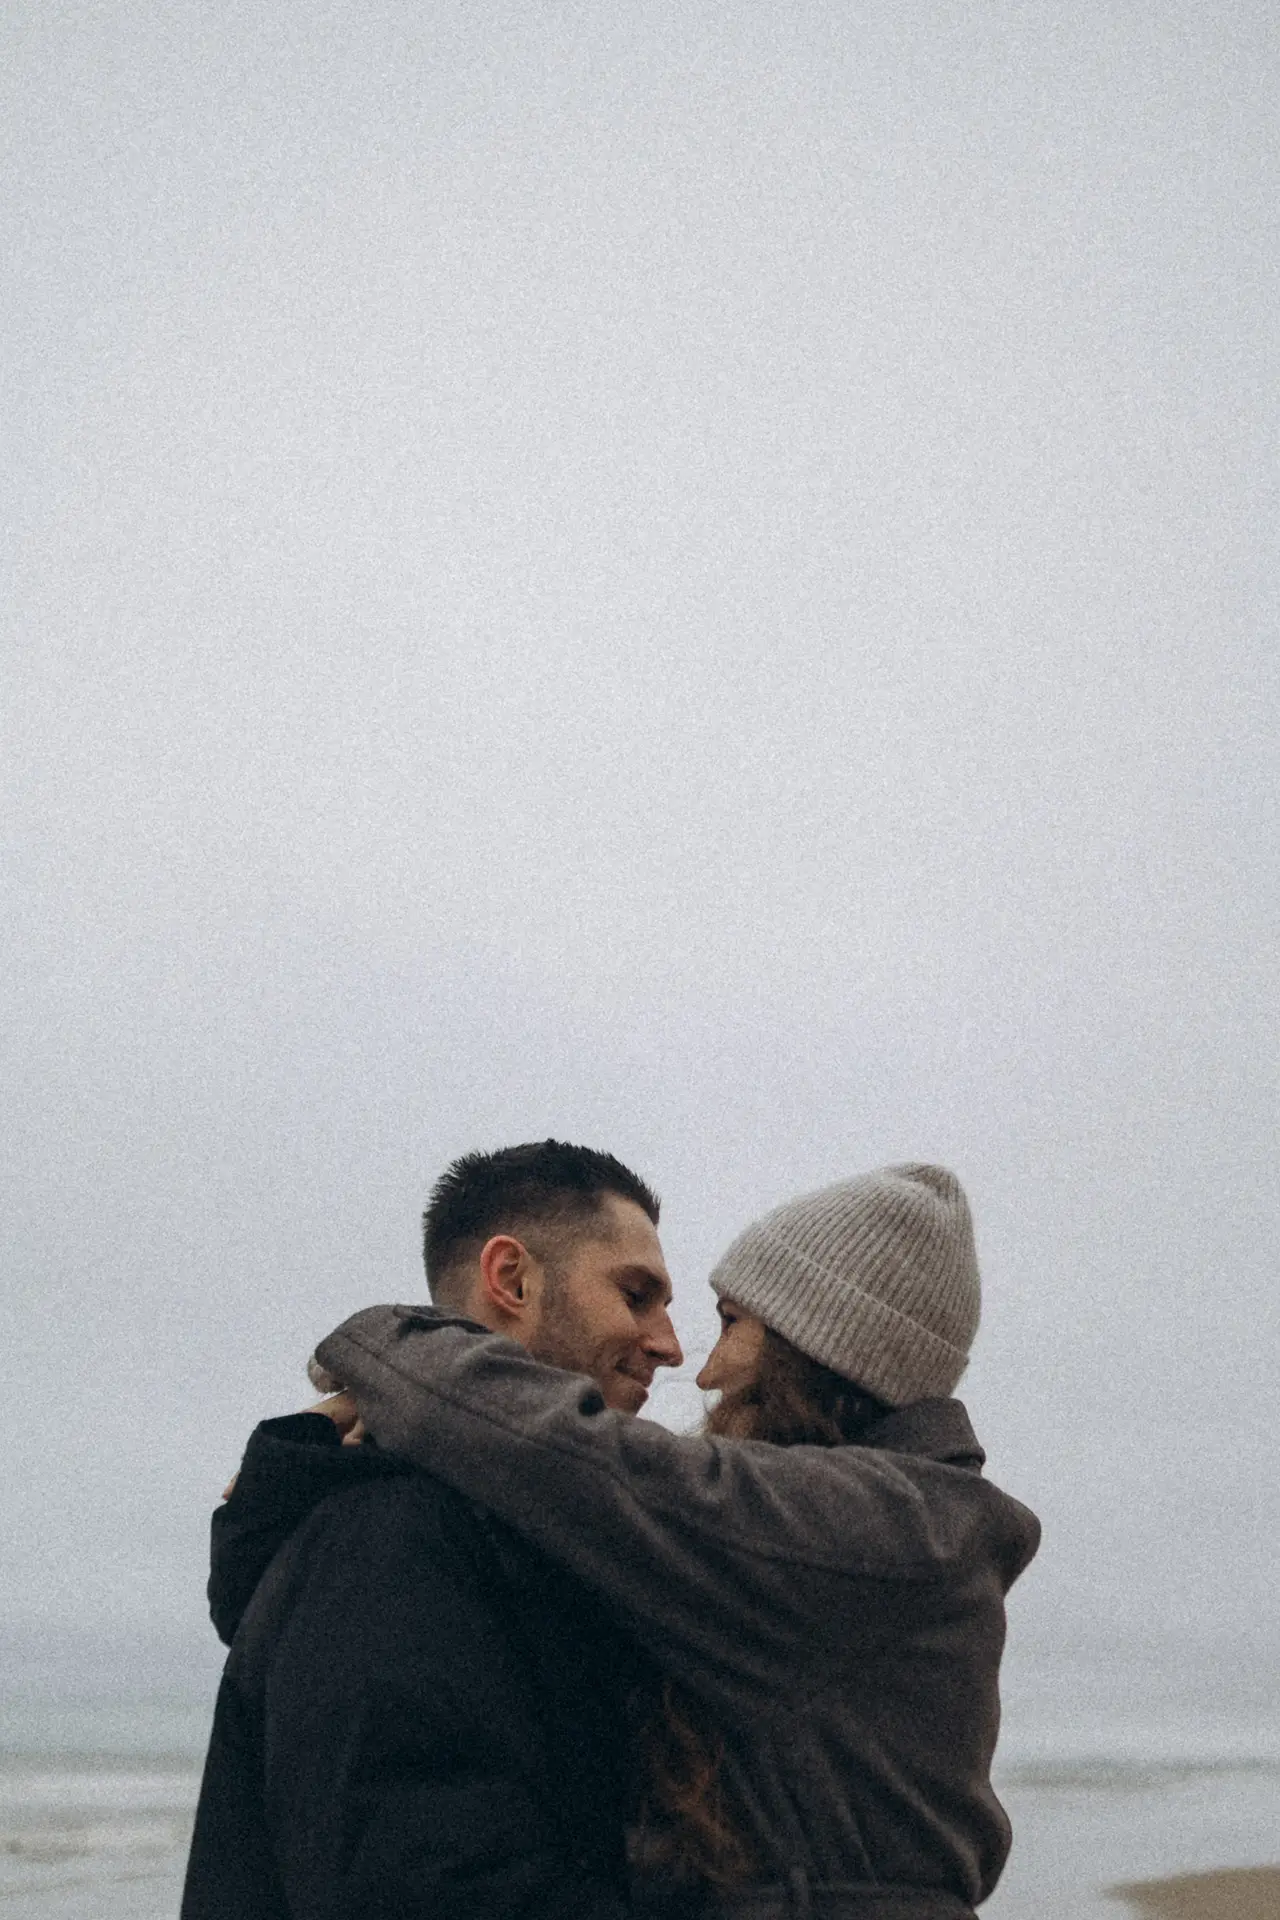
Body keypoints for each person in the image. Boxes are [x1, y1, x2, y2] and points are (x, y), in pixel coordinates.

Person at [310, 1164, 1041, 1920]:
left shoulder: (879, 1530)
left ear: (814, 1351)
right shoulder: (889, 1533)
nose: (705, 1372)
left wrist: (383, 1352)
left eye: (730, 1322)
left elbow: (575, 1459)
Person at [180, 1140, 683, 1920]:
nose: (669, 1345)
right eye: (636, 1295)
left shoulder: (507, 1539)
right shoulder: (392, 1536)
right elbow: (428, 1886)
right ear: (511, 1278)